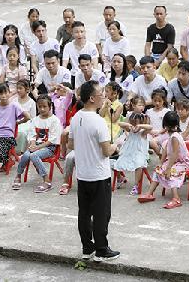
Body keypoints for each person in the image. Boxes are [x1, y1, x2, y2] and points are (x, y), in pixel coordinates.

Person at [68, 80, 120, 262]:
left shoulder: (75, 118)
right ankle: (101, 249)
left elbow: (70, 144)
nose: (104, 96)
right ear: (91, 98)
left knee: (84, 213)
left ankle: (87, 247)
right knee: (101, 213)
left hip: (83, 174)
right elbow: (106, 152)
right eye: (101, 94)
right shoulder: (98, 122)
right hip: (99, 175)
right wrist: (116, 145)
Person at [138, 112, 189, 209]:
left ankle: (176, 198)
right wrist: (160, 163)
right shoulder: (170, 136)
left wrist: (168, 168)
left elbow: (175, 154)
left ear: (165, 126)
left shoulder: (175, 137)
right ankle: (150, 193)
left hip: (183, 163)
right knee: (158, 170)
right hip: (174, 161)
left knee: (171, 172)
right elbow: (165, 150)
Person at [12, 94, 63, 193]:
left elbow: (52, 140)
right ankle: (18, 175)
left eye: (45, 106)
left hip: (49, 147)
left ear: (50, 107)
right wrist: (32, 144)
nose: (42, 109)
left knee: (34, 155)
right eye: (40, 107)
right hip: (36, 145)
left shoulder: (54, 121)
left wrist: (37, 148)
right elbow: (32, 135)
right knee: (26, 155)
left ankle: (47, 181)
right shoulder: (35, 120)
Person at [112, 96, 151, 196]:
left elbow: (150, 127)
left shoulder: (145, 118)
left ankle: (136, 185)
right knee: (118, 162)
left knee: (138, 164)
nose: (142, 107)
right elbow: (120, 123)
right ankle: (121, 178)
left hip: (140, 148)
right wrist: (128, 126)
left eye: (143, 105)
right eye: (139, 105)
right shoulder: (130, 115)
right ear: (133, 106)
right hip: (130, 146)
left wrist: (140, 126)